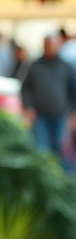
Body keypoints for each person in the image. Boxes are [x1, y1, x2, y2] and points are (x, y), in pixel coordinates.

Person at [22, 35, 76, 166]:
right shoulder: (35, 66)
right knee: (42, 150)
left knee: (60, 149)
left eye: (52, 45)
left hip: (61, 115)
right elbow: (26, 89)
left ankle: (61, 181)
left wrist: (74, 113)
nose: (49, 48)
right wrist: (28, 107)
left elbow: (73, 90)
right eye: (47, 45)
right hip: (40, 115)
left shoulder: (66, 66)